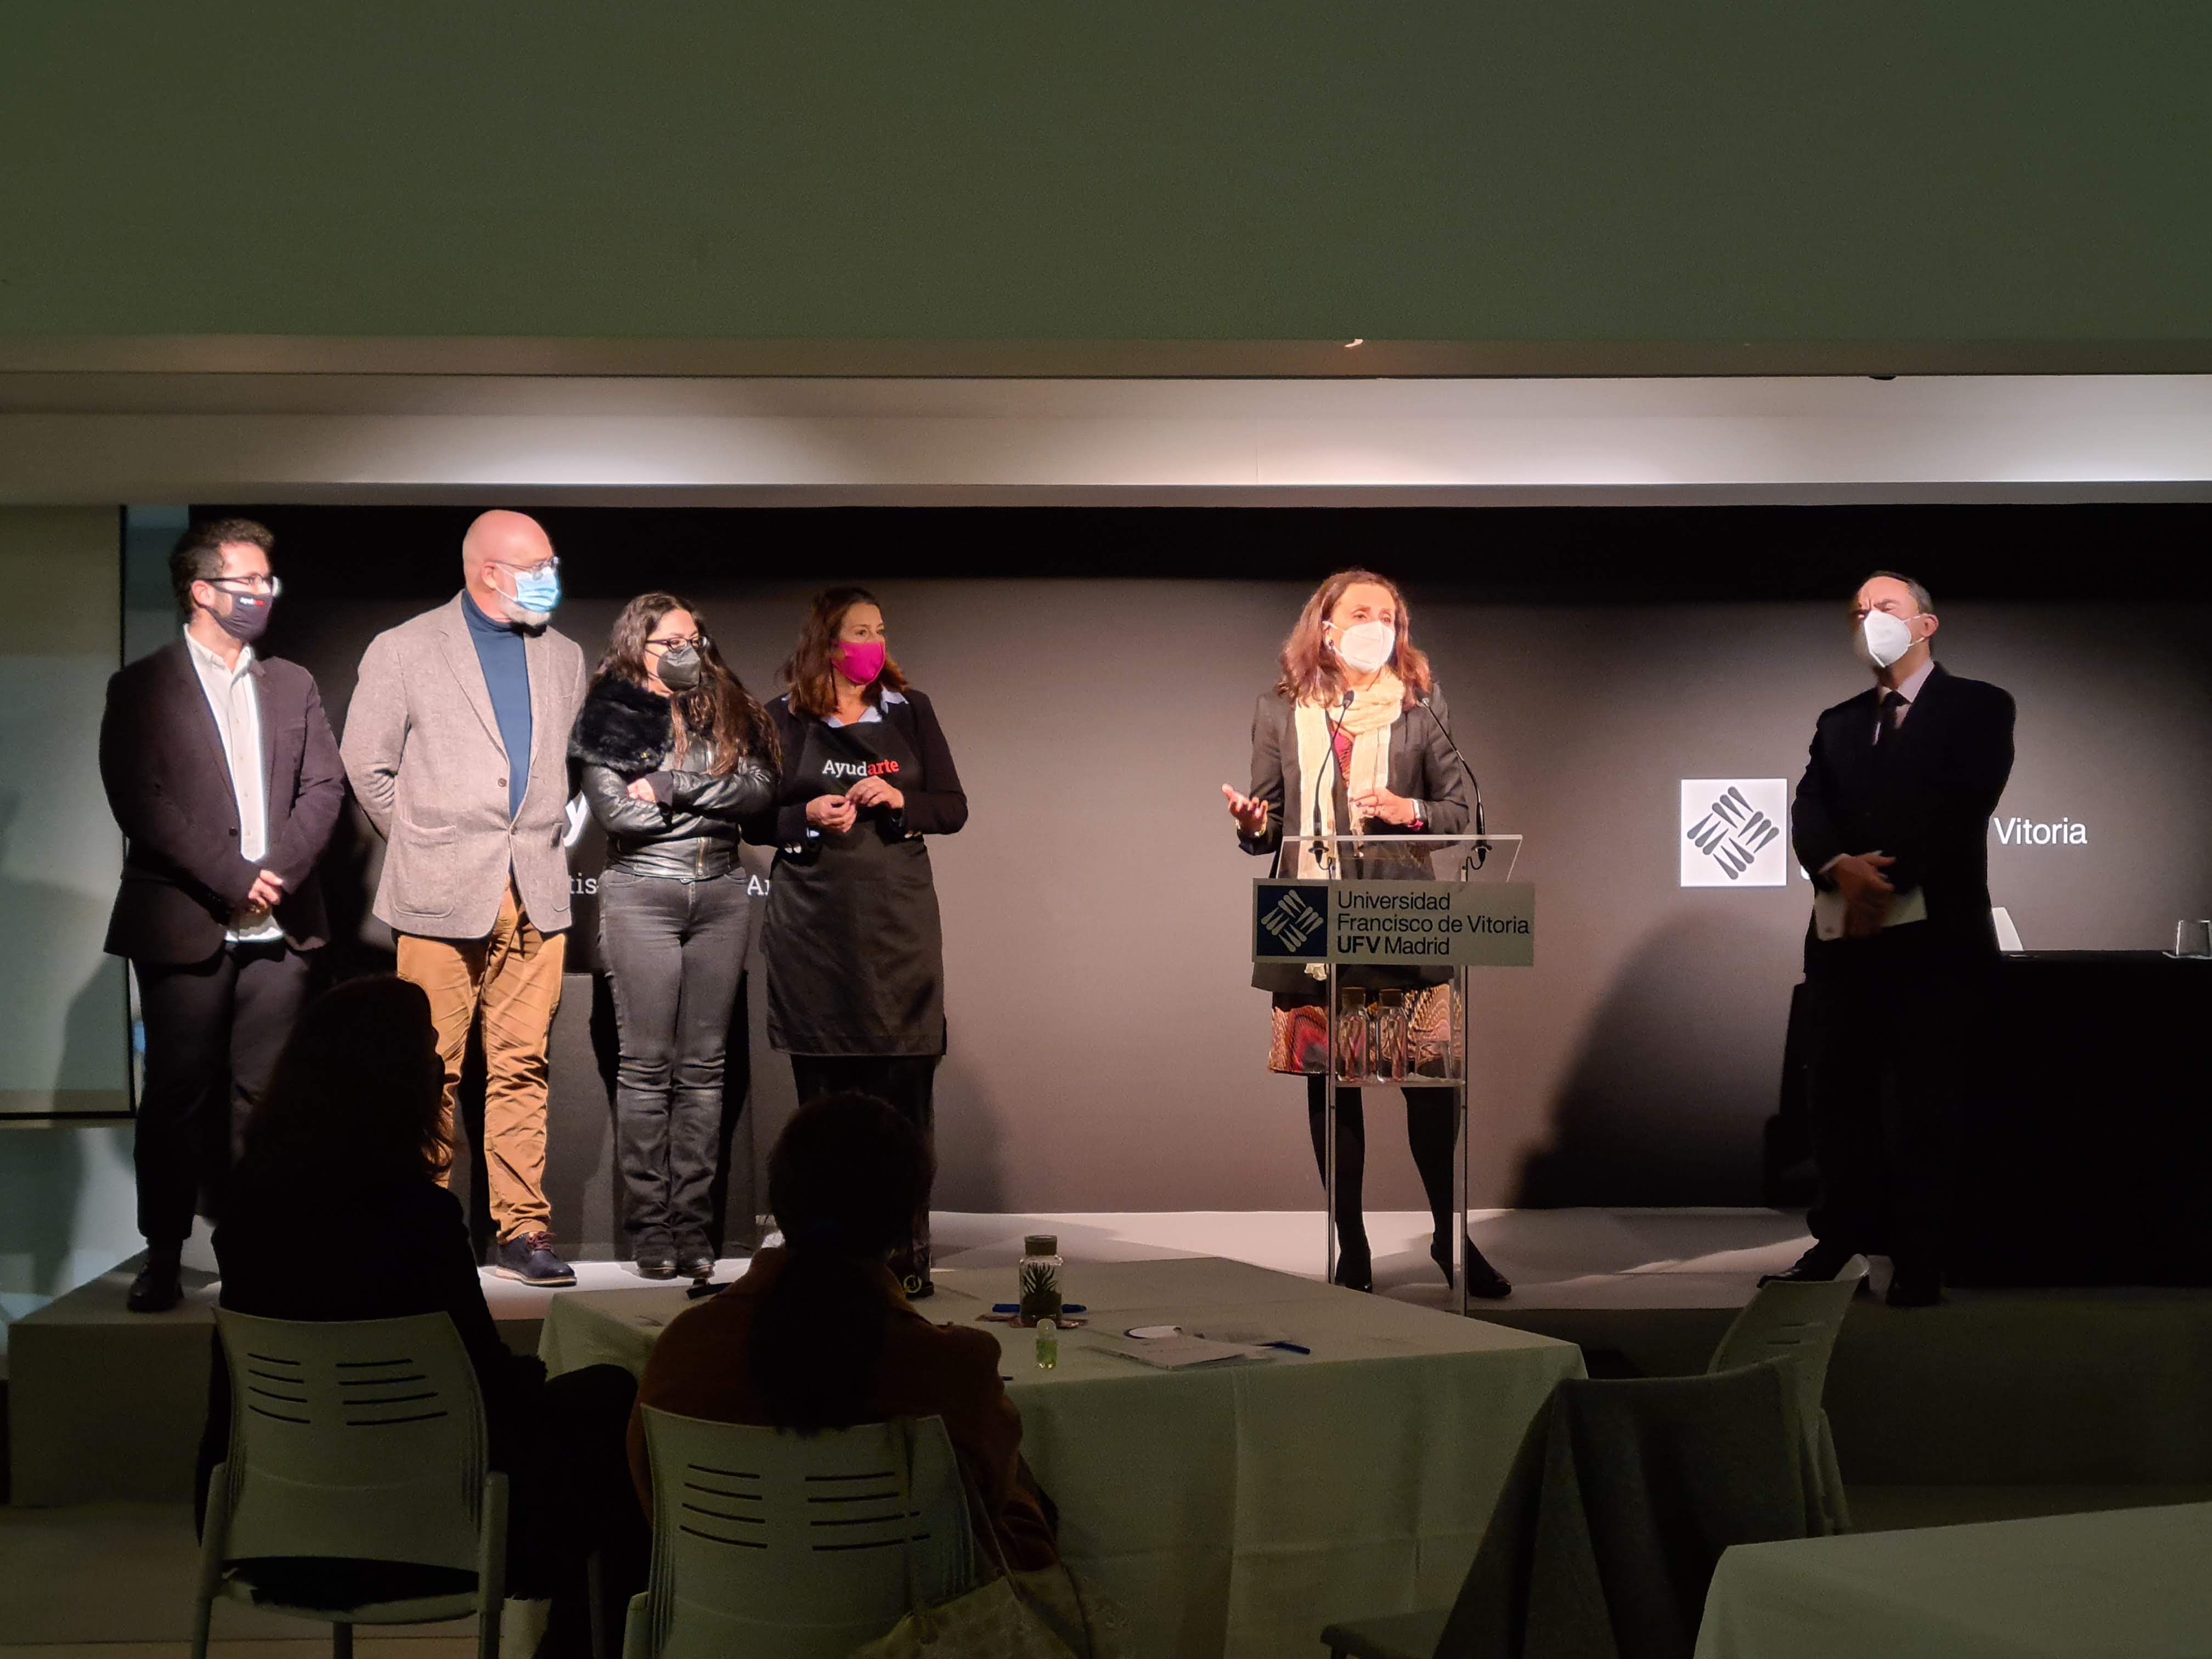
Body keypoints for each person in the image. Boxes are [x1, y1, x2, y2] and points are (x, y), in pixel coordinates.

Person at [197, 975, 644, 1658]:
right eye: (432, 1051)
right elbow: (486, 1395)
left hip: (269, 1538)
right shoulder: (419, 1220)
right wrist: (536, 1378)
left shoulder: (250, 1217)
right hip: (438, 1540)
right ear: (396, 1083)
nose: (443, 1068)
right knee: (610, 1401)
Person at [1223, 569, 1511, 1298]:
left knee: (1430, 1085)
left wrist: (1408, 810)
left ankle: (1449, 1236)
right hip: (1309, 918)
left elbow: (1462, 815)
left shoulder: (1422, 706)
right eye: (1361, 613)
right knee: (1332, 1088)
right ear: (1325, 626)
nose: (1377, 625)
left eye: (1389, 615)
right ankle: (1351, 1245)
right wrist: (1254, 825)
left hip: (1403, 914)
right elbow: (1268, 823)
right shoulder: (1279, 709)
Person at [630, 1092, 1057, 1573]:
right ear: (908, 1222)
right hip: (920, 1615)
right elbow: (1003, 1521)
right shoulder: (953, 1371)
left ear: (780, 1203)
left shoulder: (684, 1350)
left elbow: (656, 1509)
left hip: (718, 1611)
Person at [98, 517, 346, 1313]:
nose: (264, 594)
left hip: (281, 925)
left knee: (264, 1099)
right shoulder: (141, 685)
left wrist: (278, 875)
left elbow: (325, 788)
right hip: (183, 920)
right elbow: (141, 800)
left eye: (268, 581)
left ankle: (257, 1253)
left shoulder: (293, 683)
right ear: (202, 591)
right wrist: (234, 878)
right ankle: (165, 1254)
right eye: (249, 582)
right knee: (177, 1096)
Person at [341, 510, 589, 1287]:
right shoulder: (405, 647)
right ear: (489, 572)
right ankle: (422, 1225)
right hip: (439, 894)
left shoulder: (566, 656)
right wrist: (425, 844)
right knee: (430, 1067)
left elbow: (564, 768)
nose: (551, 579)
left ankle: (523, 1230)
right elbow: (366, 764)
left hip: (537, 891)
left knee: (524, 1065)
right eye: (537, 567)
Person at [1768, 572, 2014, 1308]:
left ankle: (1919, 1257)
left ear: (1926, 624)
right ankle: (1839, 1242)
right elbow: (1809, 807)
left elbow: (1962, 803)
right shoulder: (1838, 721)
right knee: (1836, 1100)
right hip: (1844, 945)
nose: (1869, 619)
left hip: (1937, 943)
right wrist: (1837, 867)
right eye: (1859, 612)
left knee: (1927, 1104)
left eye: (1886, 607)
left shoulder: (1979, 706)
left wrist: (1883, 878)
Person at [758, 587, 966, 1297]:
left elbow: (953, 807)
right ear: (827, 643)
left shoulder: (911, 711)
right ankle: (822, 1258)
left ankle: (905, 1254)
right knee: (823, 1104)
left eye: (880, 631)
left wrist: (902, 800)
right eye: (859, 632)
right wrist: (805, 816)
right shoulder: (782, 717)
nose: (874, 644)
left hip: (897, 929)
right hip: (815, 930)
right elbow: (753, 816)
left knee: (904, 1100)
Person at [571, 594, 778, 1281]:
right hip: (643, 894)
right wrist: (711, 795)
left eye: (696, 639)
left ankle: (694, 1227)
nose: (688, 652)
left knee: (704, 1070)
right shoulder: (609, 713)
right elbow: (618, 816)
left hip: (721, 894)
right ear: (639, 646)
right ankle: (651, 1229)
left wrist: (669, 785)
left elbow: (758, 795)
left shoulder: (728, 707)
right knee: (646, 1067)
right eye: (672, 643)